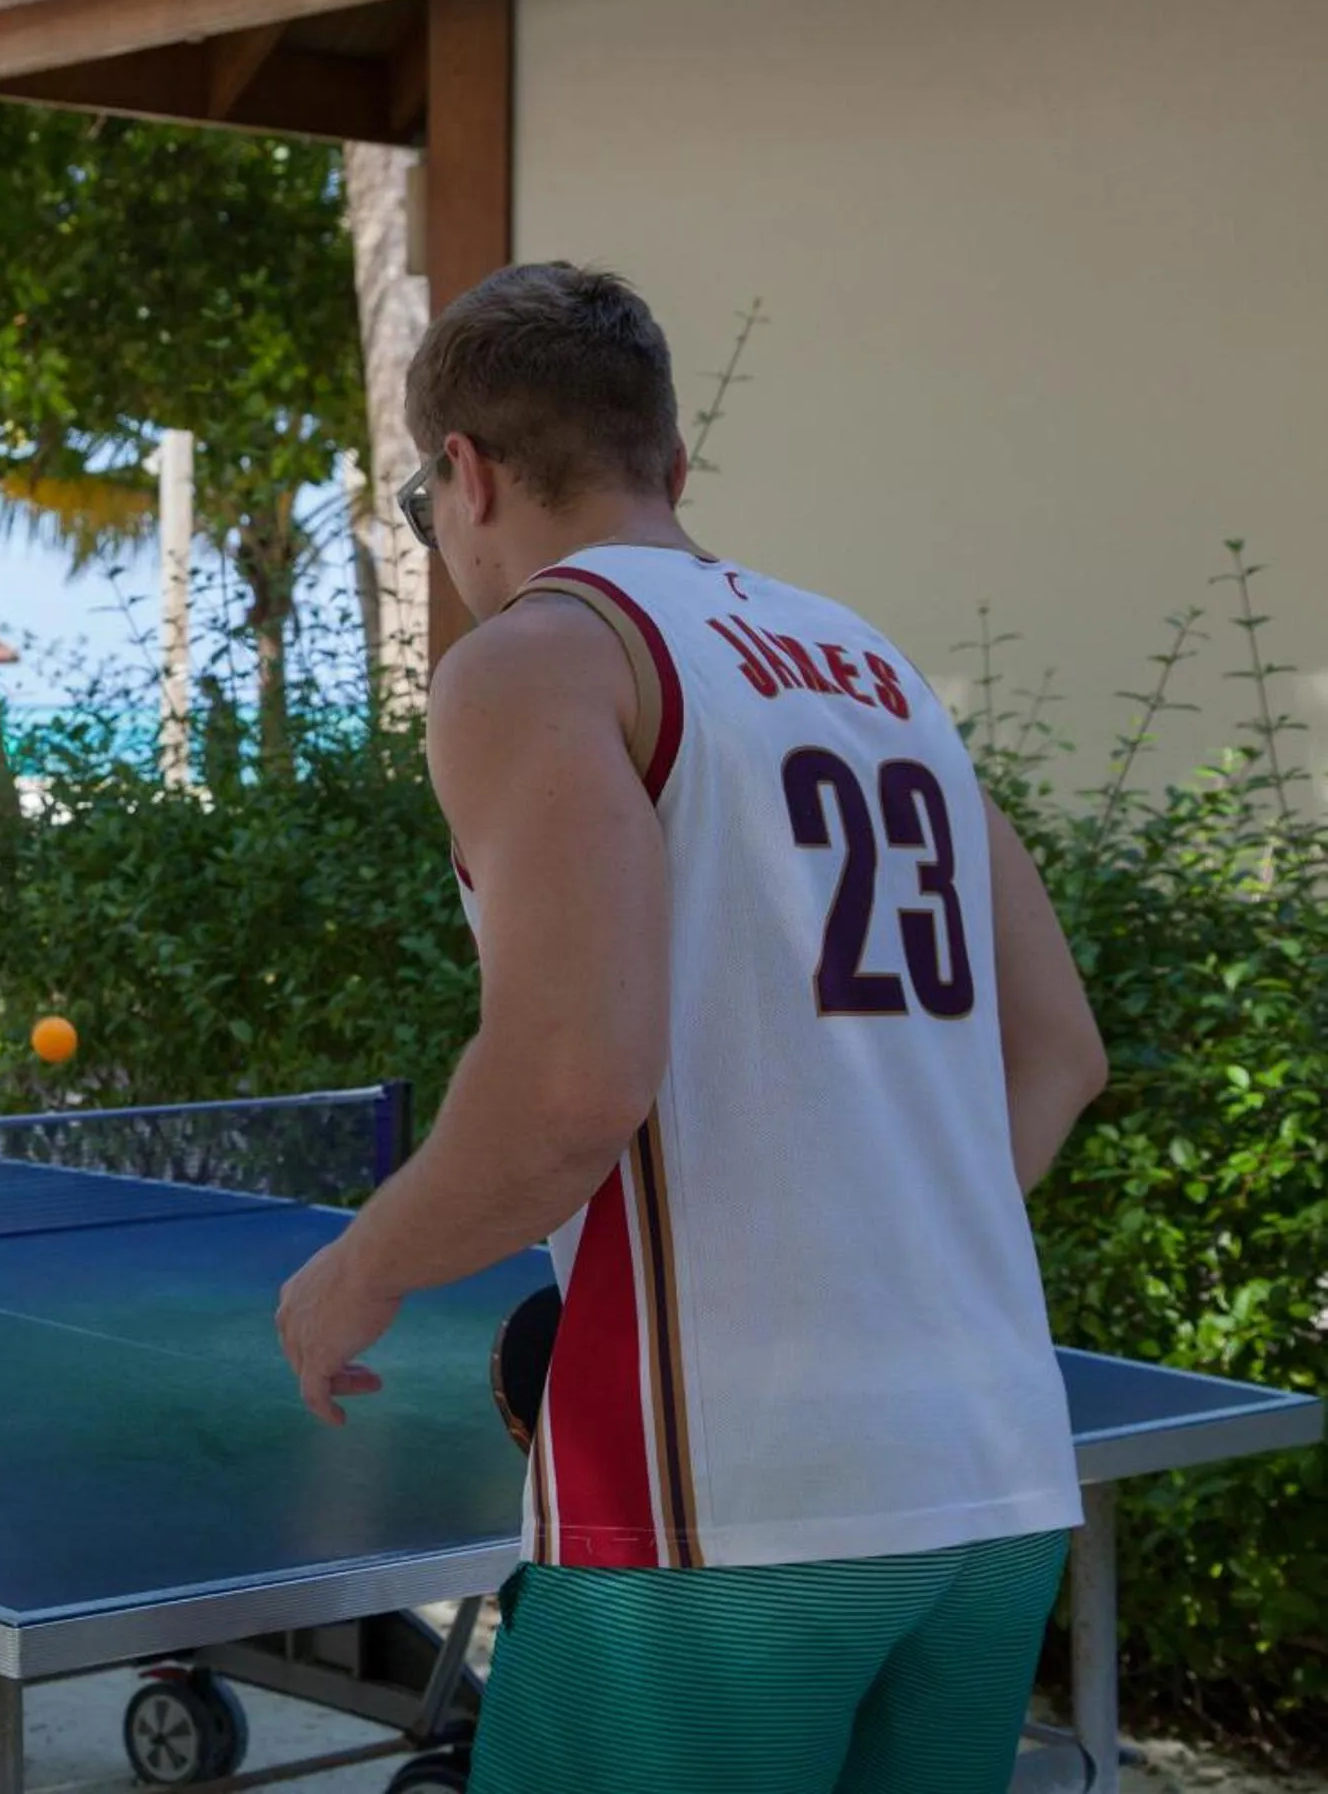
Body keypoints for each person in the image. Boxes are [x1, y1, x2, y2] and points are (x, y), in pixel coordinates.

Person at [274, 263, 1111, 1794]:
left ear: (461, 474)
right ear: (671, 463)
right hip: (989, 1480)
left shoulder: (538, 662)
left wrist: (358, 1266)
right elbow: (1061, 1051)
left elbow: (571, 1085)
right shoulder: (879, 677)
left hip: (722, 1508)